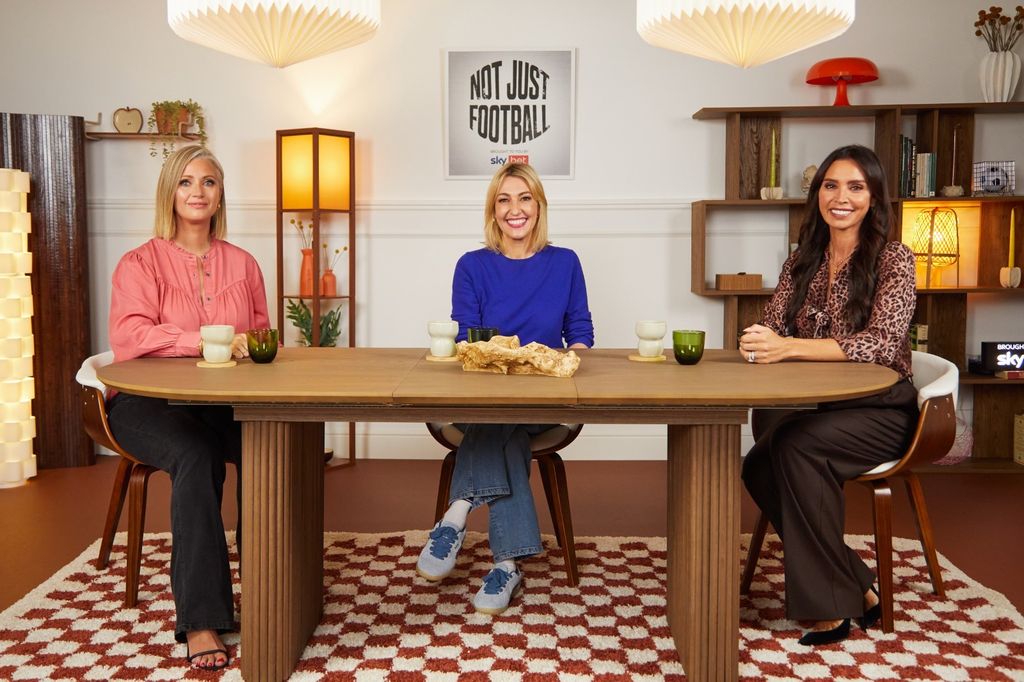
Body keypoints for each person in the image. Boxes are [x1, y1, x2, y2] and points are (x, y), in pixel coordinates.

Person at [738, 144, 918, 646]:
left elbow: (882, 343)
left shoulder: (894, 259)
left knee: (795, 448)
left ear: (875, 197)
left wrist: (790, 347)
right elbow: (771, 324)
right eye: (831, 185)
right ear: (818, 194)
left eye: (856, 187)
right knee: (758, 463)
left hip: (881, 410)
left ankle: (831, 609)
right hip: (816, 408)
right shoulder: (802, 261)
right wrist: (757, 340)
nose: (841, 197)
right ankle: (858, 585)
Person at [106, 145, 269, 670]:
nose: (197, 192)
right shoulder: (139, 263)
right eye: (186, 182)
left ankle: (271, 585)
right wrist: (200, 340)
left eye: (209, 182)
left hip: (222, 400)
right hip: (145, 404)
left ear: (221, 194)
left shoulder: (244, 264)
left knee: (272, 440)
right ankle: (201, 618)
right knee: (196, 455)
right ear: (170, 193)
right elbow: (129, 336)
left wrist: (254, 349)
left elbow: (263, 335)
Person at [415, 162, 594, 614]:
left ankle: (456, 514)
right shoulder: (472, 266)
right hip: (483, 399)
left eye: (525, 198)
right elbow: (466, 340)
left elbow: (580, 330)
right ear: (493, 212)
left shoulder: (565, 262)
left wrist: (571, 361)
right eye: (504, 199)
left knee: (508, 422)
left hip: (547, 401)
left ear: (539, 206)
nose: (515, 209)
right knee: (506, 429)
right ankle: (508, 565)